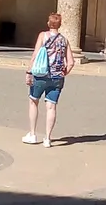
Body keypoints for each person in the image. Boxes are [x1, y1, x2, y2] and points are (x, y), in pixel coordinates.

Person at [23, 12, 75, 148]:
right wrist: (64, 73)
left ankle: (33, 134)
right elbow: (71, 62)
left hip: (41, 75)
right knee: (51, 107)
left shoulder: (43, 35)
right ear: (60, 25)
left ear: (48, 23)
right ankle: (47, 138)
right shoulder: (64, 40)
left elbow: (35, 54)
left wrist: (29, 71)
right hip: (57, 77)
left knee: (33, 101)